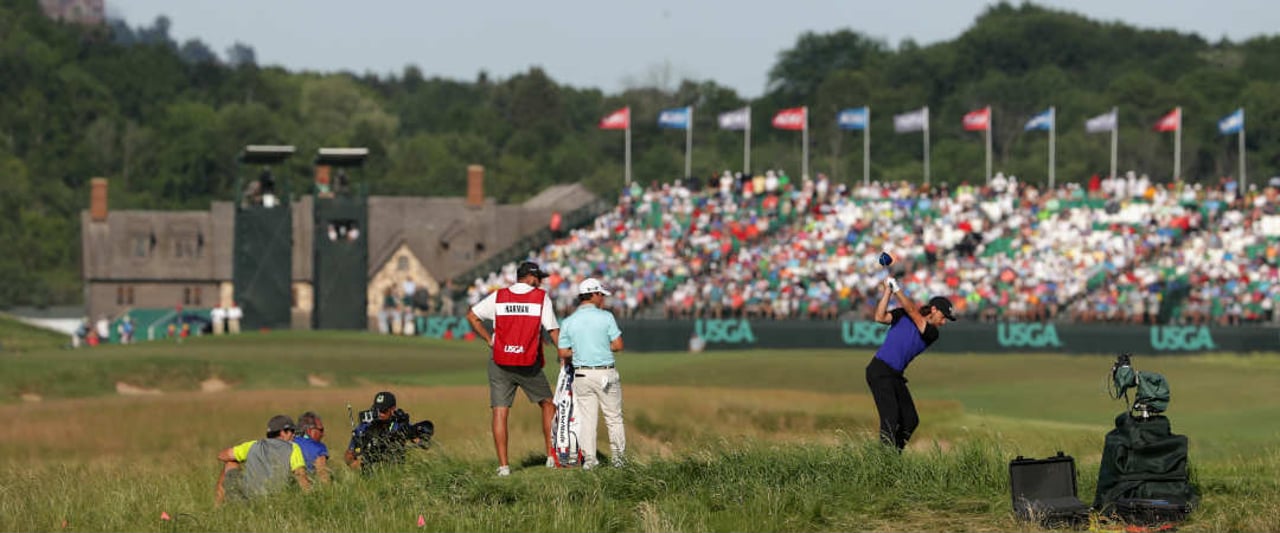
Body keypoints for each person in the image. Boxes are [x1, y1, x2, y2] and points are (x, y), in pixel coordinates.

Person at [466, 261, 561, 477]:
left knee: (500, 411)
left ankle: (504, 467)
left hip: (500, 360)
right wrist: (564, 353)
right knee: (548, 404)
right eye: (539, 279)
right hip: (528, 363)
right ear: (530, 277)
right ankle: (550, 457)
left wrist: (490, 339)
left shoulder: (499, 296)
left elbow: (472, 316)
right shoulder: (540, 297)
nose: (540, 283)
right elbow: (553, 330)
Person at [866, 277, 956, 451]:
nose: (943, 322)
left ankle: (892, 457)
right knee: (890, 418)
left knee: (910, 419)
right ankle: (882, 461)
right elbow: (880, 317)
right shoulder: (903, 315)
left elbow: (913, 312)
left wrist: (897, 288)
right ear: (934, 309)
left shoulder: (931, 333)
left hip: (895, 376)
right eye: (943, 317)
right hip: (879, 370)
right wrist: (888, 291)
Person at [556, 278, 626, 470]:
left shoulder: (569, 321)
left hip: (581, 376)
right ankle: (619, 461)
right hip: (605, 374)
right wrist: (601, 346)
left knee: (587, 420)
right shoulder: (606, 317)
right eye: (601, 295)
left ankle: (589, 461)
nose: (603, 299)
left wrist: (579, 350)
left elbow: (562, 352)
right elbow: (618, 346)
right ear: (593, 294)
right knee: (613, 418)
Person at [215, 415, 310, 504]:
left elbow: (222, 455)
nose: (294, 435)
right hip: (278, 501)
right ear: (282, 432)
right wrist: (310, 498)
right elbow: (300, 474)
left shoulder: (253, 445)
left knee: (230, 463)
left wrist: (247, 459)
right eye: (292, 431)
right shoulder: (293, 447)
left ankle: (217, 508)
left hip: (249, 500)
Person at [344, 391, 433, 472]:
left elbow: (424, 444)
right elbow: (348, 457)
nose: (380, 414)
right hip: (370, 476)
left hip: (396, 473)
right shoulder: (365, 427)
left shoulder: (399, 424)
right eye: (377, 410)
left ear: (392, 409)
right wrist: (358, 463)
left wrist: (410, 435)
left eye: (383, 410)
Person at [295, 411, 330, 484]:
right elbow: (323, 477)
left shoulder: (288, 442)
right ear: (309, 431)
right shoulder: (319, 447)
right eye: (321, 430)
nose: (323, 434)